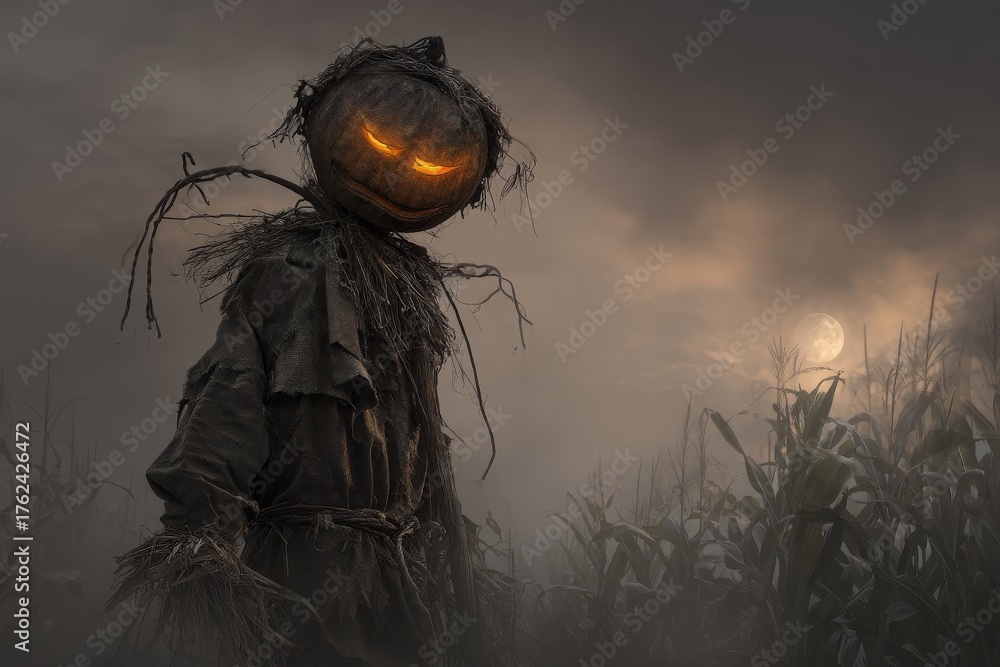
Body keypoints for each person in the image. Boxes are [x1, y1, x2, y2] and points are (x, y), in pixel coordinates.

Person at [109, 36, 532, 666]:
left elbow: (426, 447)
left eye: (431, 158)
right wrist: (199, 530)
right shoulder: (285, 274)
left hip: (397, 577)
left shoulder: (407, 302)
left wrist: (444, 555)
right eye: (385, 140)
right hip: (300, 567)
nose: (404, 160)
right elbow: (228, 399)